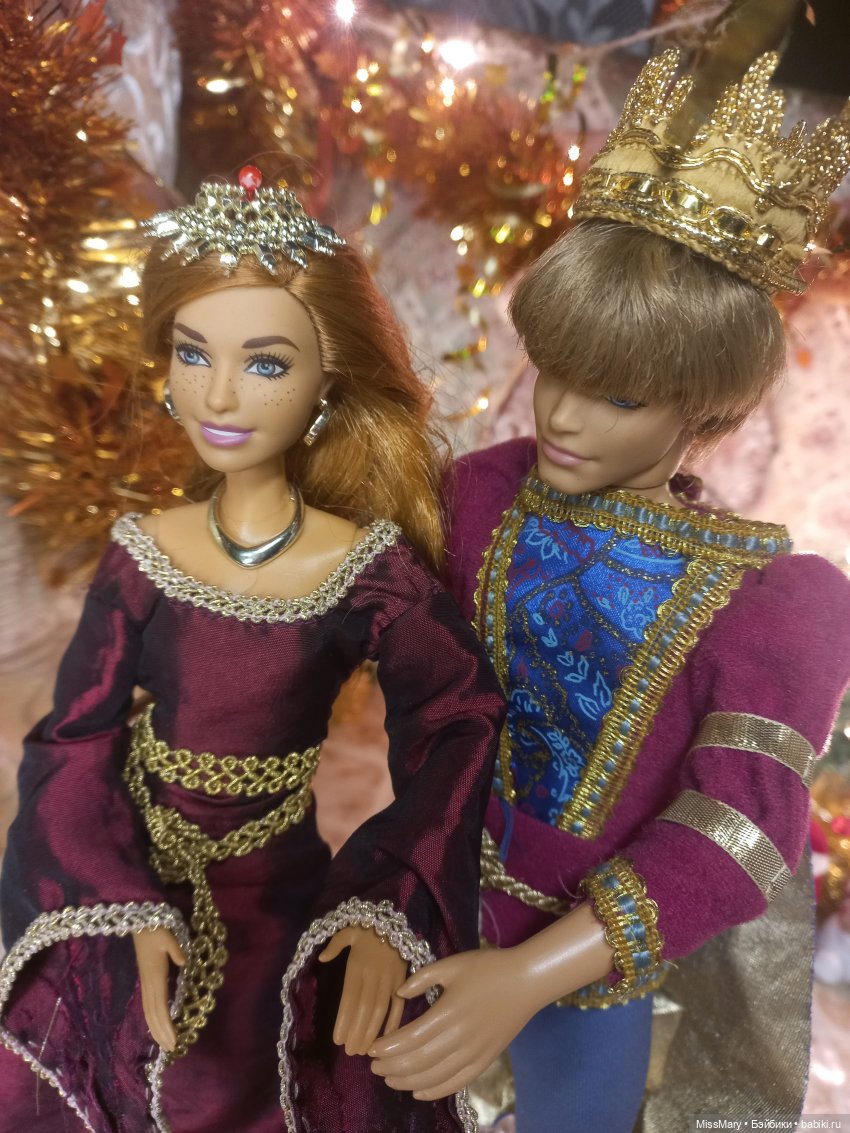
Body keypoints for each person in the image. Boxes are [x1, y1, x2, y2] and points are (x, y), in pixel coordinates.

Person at [369, 50, 850, 1130]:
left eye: (619, 396)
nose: (563, 416)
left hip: (587, 969)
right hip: (420, 899)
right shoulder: (483, 492)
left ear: (704, 411)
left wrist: (532, 973)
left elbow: (738, 829)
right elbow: (373, 620)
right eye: (555, 370)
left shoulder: (771, 599)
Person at [0, 168, 503, 1133]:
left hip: (278, 891)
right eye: (193, 353)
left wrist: (385, 901)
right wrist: (117, 898)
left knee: (276, 1082)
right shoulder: (144, 551)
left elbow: (459, 717)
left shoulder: (364, 569)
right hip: (133, 874)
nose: (220, 393)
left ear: (327, 382)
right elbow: (73, 739)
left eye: (265, 364)